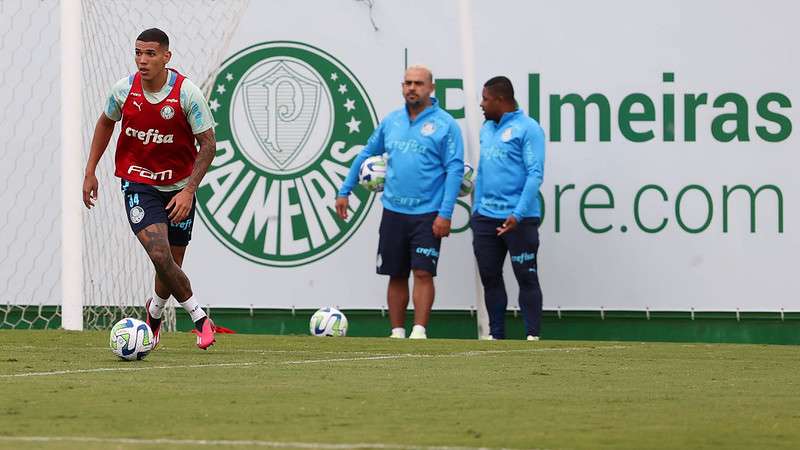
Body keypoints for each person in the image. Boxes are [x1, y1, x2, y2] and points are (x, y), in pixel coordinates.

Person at [82, 28, 217, 349]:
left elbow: (208, 144)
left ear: (166, 57)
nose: (142, 60)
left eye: (151, 54)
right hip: (138, 183)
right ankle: (200, 318)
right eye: (138, 53)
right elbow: (105, 122)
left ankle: (153, 317)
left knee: (170, 265)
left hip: (180, 188)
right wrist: (90, 170)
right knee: (159, 253)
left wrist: (188, 191)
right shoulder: (123, 90)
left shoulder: (187, 94)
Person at [336, 65, 464, 339]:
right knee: (395, 273)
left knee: (422, 272)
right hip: (393, 210)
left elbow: (454, 170)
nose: (412, 88)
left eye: (418, 83)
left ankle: (419, 330)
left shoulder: (446, 125)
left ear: (431, 88)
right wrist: (345, 190)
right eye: (407, 83)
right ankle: (396, 332)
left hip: (428, 212)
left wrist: (445, 213)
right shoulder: (391, 121)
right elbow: (367, 153)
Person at [472, 76, 545, 340]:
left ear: (501, 100)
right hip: (486, 219)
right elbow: (482, 173)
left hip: (519, 220)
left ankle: (532, 336)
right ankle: (496, 336)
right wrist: (477, 211)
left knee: (526, 277)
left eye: (485, 99)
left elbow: (535, 174)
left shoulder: (529, 129)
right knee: (490, 278)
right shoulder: (486, 128)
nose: (481, 104)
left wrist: (518, 213)